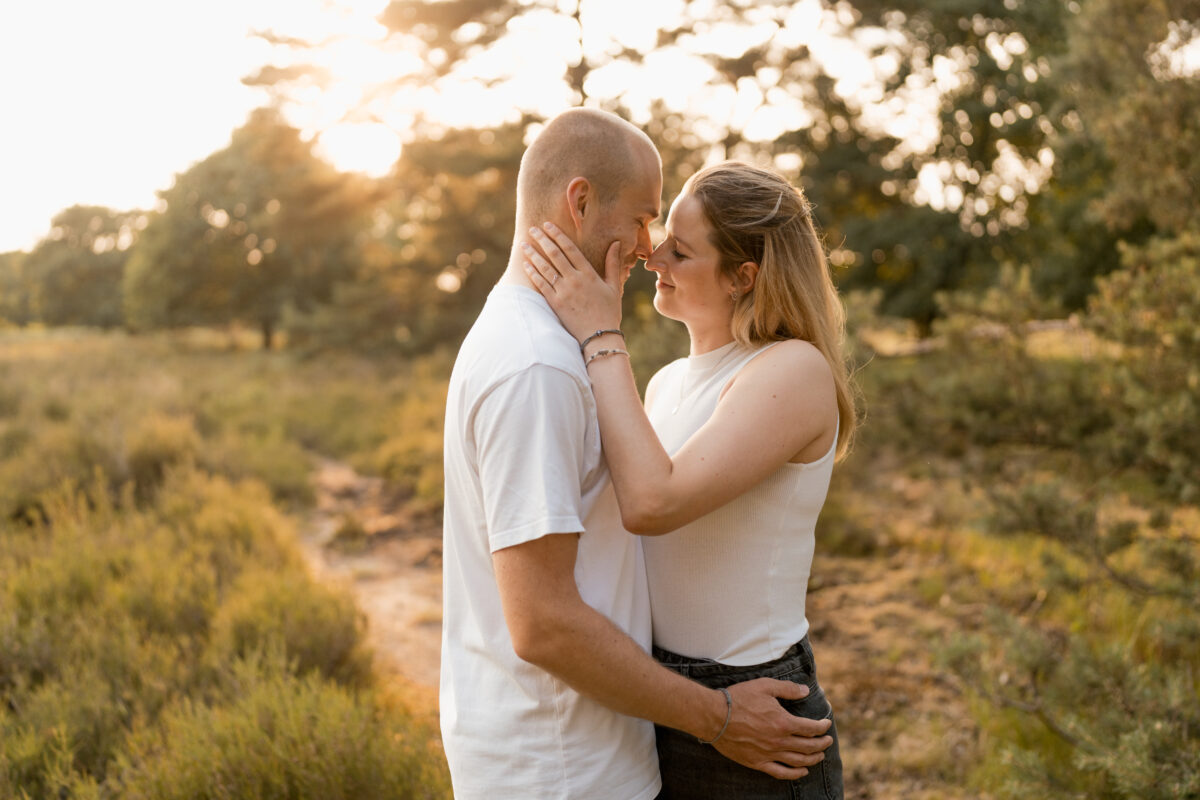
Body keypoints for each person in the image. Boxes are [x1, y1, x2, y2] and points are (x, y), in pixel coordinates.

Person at [441, 111, 834, 800]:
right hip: (668, 698)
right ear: (581, 200)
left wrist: (600, 333)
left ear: (743, 276)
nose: (651, 253)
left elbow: (652, 503)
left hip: (746, 695)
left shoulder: (793, 370)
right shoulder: (660, 380)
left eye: (679, 248)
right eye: (652, 226)